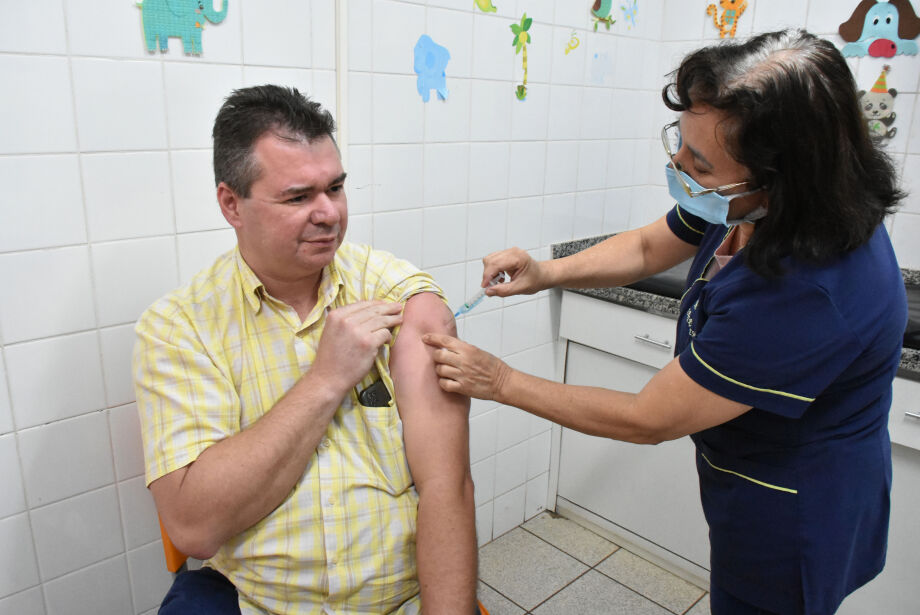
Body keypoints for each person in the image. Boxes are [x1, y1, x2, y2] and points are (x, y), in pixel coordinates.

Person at [423, 29, 908, 615]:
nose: (678, 165)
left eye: (697, 163)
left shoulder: (806, 290)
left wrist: (499, 382)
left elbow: (648, 418)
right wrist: (545, 271)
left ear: (778, 178)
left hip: (797, 507)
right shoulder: (743, 199)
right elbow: (651, 248)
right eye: (680, 143)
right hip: (749, 470)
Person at [133, 85, 478, 614]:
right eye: (298, 197)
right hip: (259, 600)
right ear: (232, 204)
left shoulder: (390, 289)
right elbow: (195, 527)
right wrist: (326, 379)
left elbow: (446, 484)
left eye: (335, 188)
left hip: (399, 598)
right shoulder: (181, 327)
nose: (329, 214)